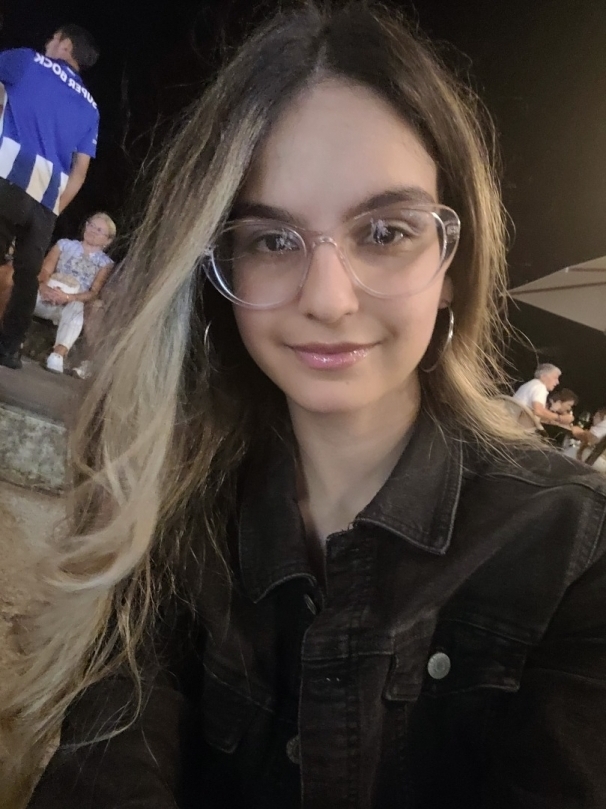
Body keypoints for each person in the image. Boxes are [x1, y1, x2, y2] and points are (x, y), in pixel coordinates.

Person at [3, 4, 606, 808]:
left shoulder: (576, 554)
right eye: (272, 239)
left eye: (385, 232)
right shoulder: (168, 505)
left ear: (454, 263)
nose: (327, 298)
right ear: (219, 271)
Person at [0, 24, 100, 370]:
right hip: (46, 200)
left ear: (65, 44)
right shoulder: (91, 108)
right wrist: (54, 209)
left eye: (52, 39)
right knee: (27, 277)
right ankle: (9, 349)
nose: (47, 44)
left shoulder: (28, 61)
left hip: (8, 176)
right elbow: (80, 171)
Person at [34, 212, 115, 374]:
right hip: (48, 293)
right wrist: (44, 288)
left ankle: (58, 356)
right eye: (91, 225)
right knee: (25, 290)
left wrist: (68, 298)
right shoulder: (64, 245)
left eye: (99, 230)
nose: (92, 230)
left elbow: (94, 292)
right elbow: (45, 271)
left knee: (77, 308)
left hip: (72, 301)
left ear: (107, 240)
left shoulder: (105, 263)